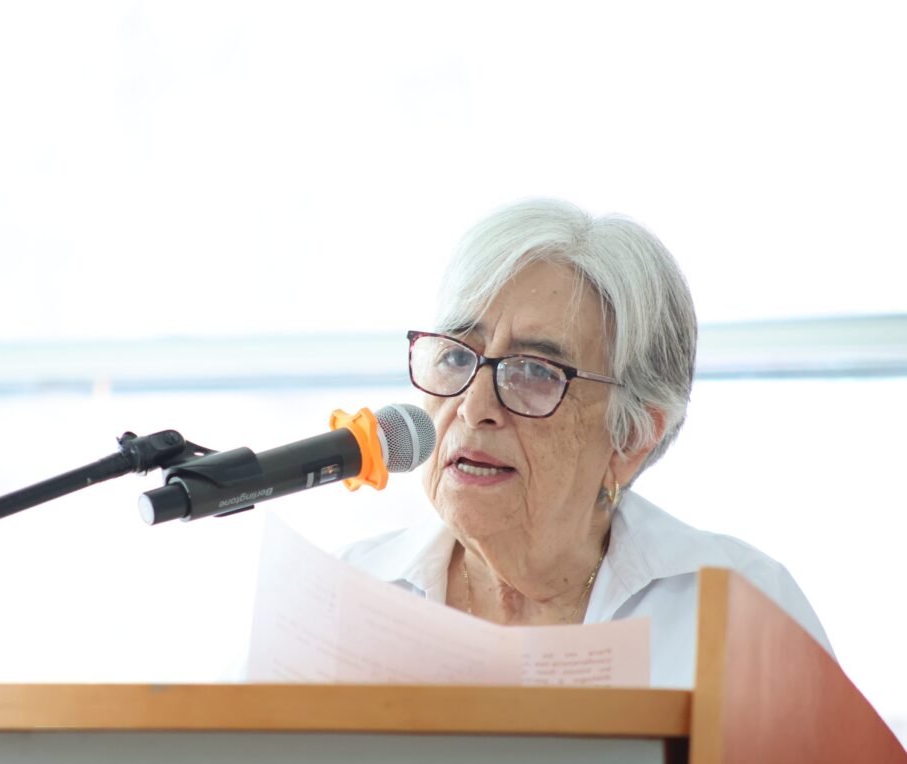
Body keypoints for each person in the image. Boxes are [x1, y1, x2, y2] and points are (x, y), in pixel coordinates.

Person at [342, 198, 832, 688]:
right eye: (455, 357)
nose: (474, 407)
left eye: (534, 372)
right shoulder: (349, 595)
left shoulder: (745, 613)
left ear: (630, 439)